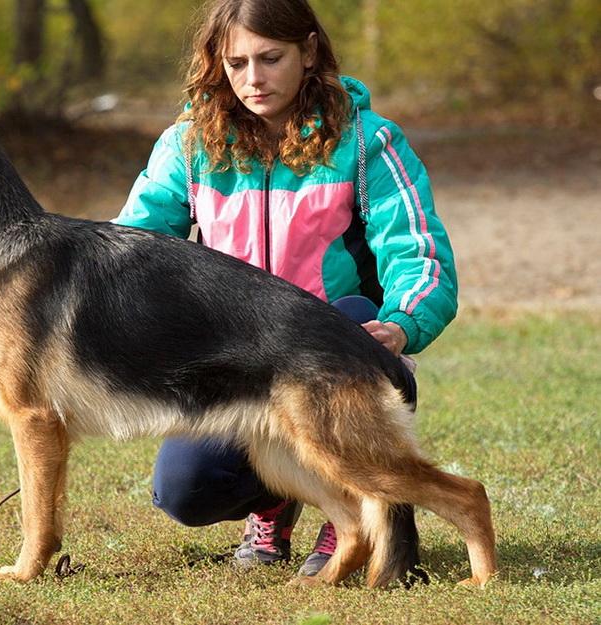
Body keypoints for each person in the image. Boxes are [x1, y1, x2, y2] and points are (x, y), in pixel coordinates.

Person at [113, 0, 457, 577]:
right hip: (232, 359)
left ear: (309, 52)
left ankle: (347, 511)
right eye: (237, 62)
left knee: (348, 315)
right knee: (185, 490)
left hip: (340, 346)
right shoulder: (189, 146)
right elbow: (130, 251)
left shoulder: (368, 142)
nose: (253, 79)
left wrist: (400, 323)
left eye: (271, 58)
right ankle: (274, 500)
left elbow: (419, 256)